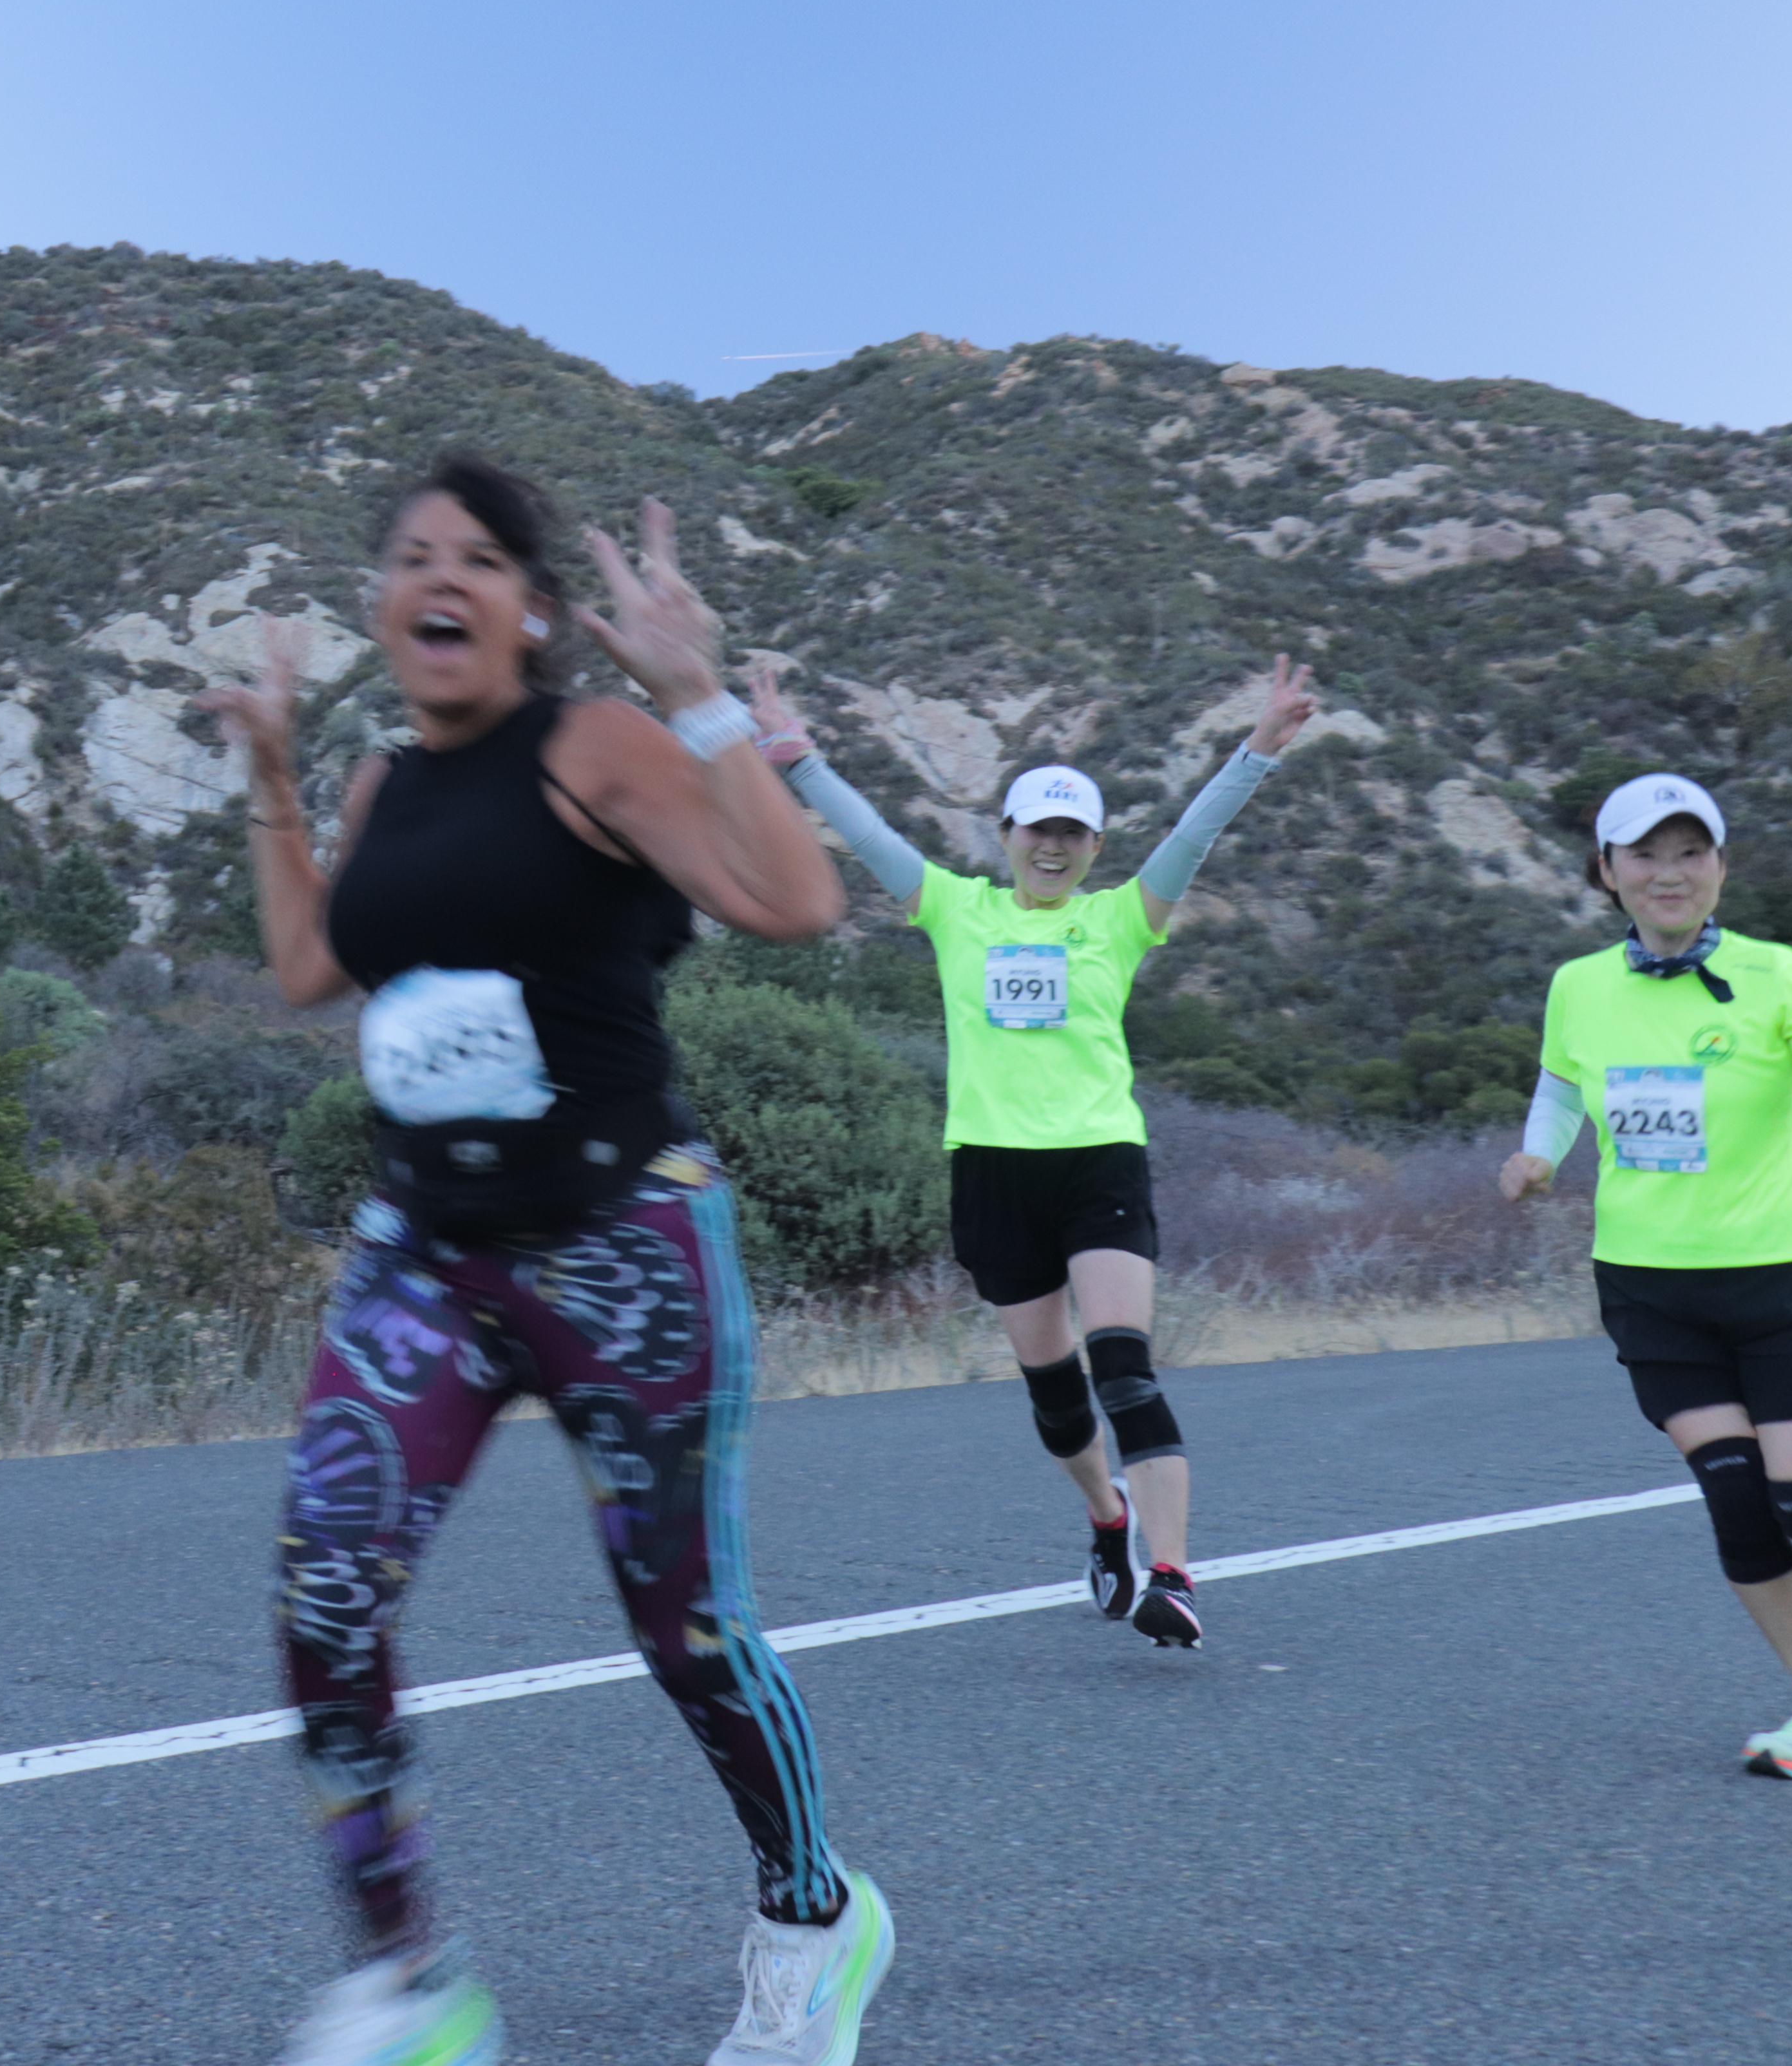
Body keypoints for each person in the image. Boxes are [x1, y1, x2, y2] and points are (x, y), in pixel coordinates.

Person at [202, 455, 891, 2066]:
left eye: (477, 559)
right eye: (410, 556)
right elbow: (307, 965)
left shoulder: (596, 746)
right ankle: (412, 1981)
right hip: (423, 1254)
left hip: (620, 1239)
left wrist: (698, 694)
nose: (438, 578)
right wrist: (278, 775)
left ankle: (816, 1916)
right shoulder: (382, 785)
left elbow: (795, 902)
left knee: (687, 1629)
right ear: (382, 604)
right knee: (325, 1592)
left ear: (531, 611)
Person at [745, 657, 1315, 1647]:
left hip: (1098, 1160)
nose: (1053, 847)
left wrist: (1257, 750)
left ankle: (1174, 1575)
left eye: (1072, 834)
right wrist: (800, 761)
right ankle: (1107, 1517)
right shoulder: (956, 909)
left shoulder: (1122, 919)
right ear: (1006, 836)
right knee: (1056, 1397)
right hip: (993, 1171)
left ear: (1094, 847)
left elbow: (1194, 835)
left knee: (1124, 1368)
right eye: (1037, 830)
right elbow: (872, 840)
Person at [1496, 775, 1792, 1774]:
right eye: (1645, 854)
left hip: (1779, 1280)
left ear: (1720, 868)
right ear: (1608, 872)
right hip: (1651, 1287)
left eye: (1690, 853)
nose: (1668, 873)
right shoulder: (1580, 985)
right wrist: (1538, 1153)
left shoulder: (1778, 974)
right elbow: (1560, 1084)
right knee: (1737, 1504)